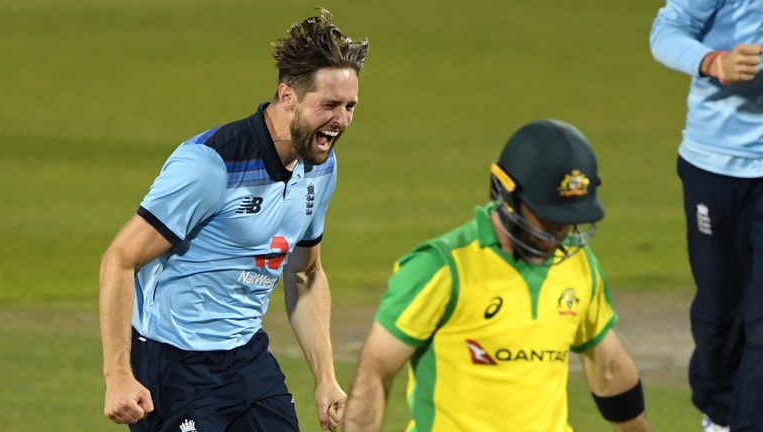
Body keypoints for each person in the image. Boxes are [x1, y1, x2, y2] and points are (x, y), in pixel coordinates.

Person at [98, 9, 368, 432]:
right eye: (329, 105)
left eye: (350, 106)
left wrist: (326, 380)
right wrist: (117, 375)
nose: (342, 120)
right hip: (172, 366)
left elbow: (304, 275)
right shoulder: (212, 165)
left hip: (245, 357)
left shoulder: (320, 167)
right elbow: (120, 258)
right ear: (287, 97)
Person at [343, 120, 650, 432]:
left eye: (570, 220)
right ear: (505, 193)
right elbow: (375, 370)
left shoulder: (578, 265)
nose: (558, 234)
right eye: (548, 218)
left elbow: (609, 368)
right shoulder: (442, 267)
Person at [650, 2, 763, 430]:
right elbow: (667, 31)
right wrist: (714, 61)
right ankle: (718, 417)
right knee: (718, 316)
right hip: (715, 164)